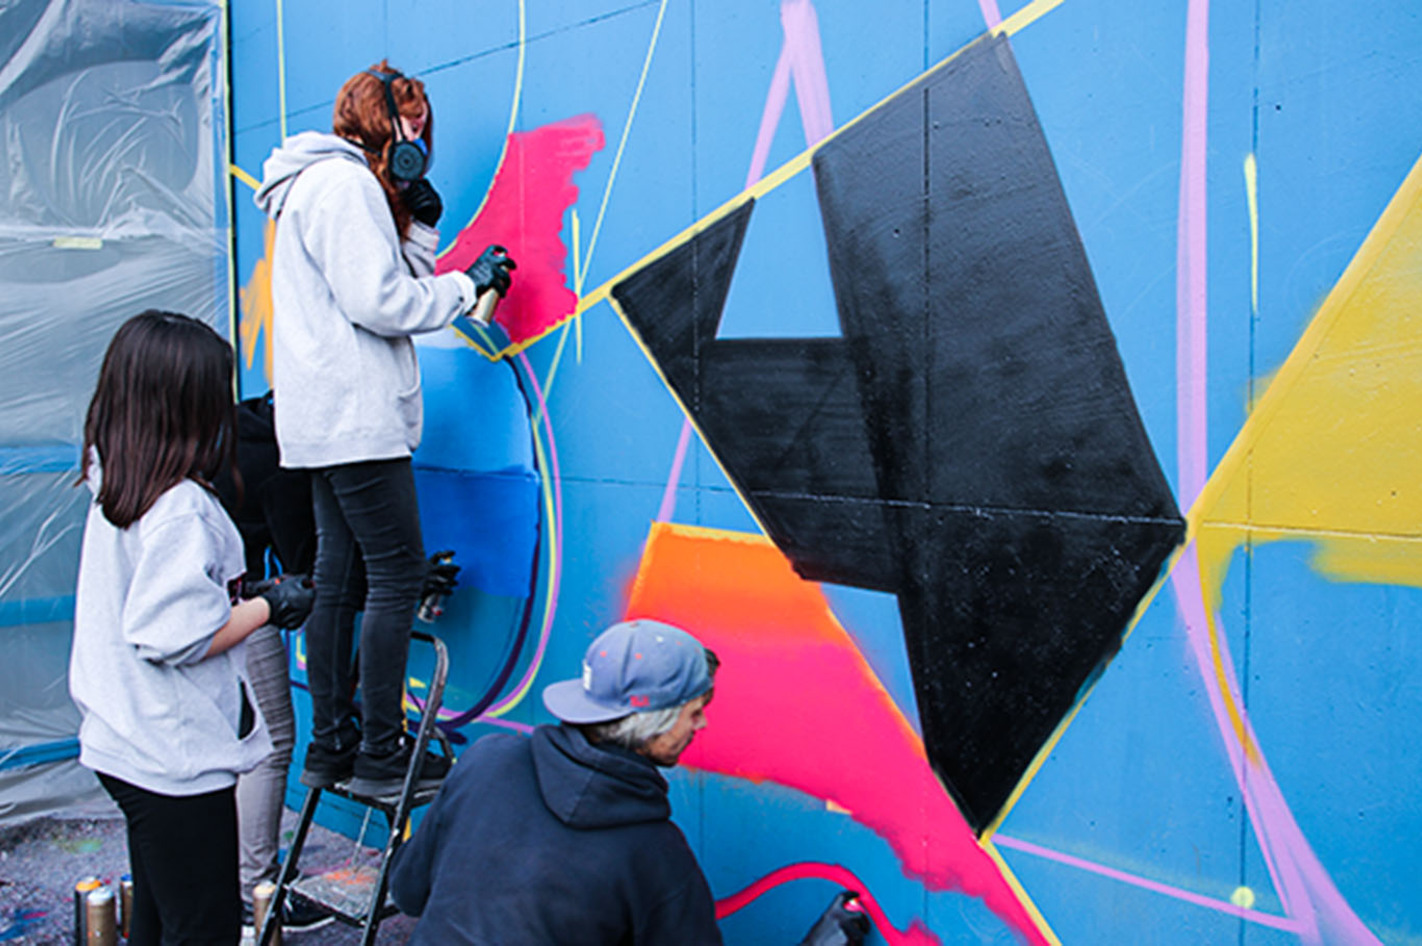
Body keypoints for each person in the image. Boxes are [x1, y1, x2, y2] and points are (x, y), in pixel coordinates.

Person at [254, 61, 515, 797]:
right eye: (412, 127)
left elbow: (380, 279)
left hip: (325, 420)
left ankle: (333, 746)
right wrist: (468, 288)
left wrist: (421, 223)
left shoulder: (325, 187)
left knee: (339, 574)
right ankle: (379, 749)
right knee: (394, 573)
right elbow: (382, 301)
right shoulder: (342, 187)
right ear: (380, 122)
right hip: (357, 418)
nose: (420, 142)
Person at [388, 619, 870, 946]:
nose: (700, 727)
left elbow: (408, 892)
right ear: (652, 726)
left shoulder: (487, 759)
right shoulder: (651, 853)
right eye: (694, 713)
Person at [68, 311, 315, 945]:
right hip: (172, 760)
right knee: (201, 927)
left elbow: (163, 601)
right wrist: (270, 606)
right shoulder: (180, 507)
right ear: (189, 407)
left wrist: (241, 593)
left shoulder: (114, 476)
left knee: (158, 911)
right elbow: (173, 636)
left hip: (123, 740)